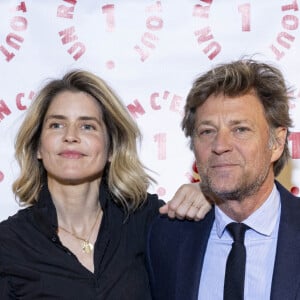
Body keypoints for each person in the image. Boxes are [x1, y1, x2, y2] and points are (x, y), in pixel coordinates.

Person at [0, 70, 211, 299]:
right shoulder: (8, 244)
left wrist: (211, 195)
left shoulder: (147, 220)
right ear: (38, 147)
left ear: (111, 148)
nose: (71, 136)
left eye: (87, 126)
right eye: (57, 125)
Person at [146, 59, 300, 300]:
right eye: (207, 131)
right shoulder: (167, 238)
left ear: (277, 143)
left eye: (240, 129)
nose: (220, 146)